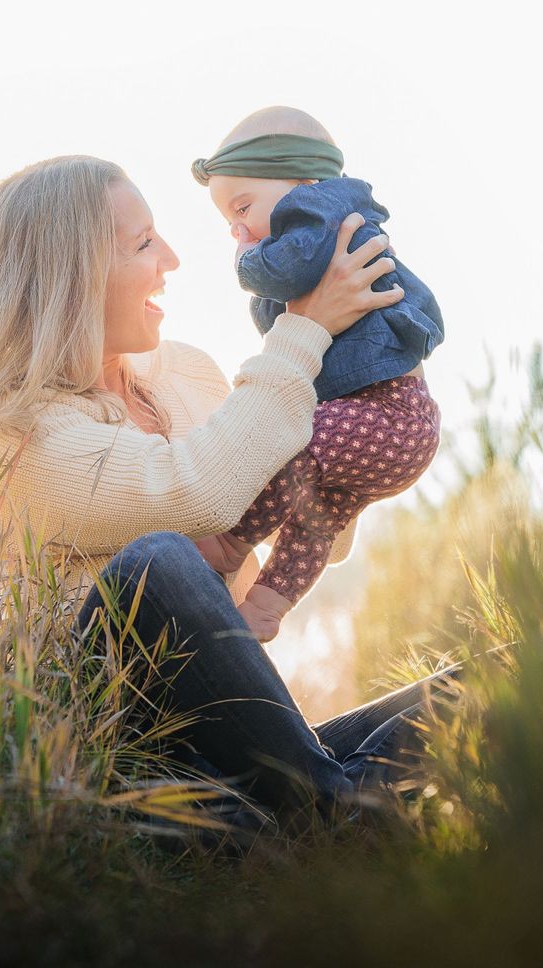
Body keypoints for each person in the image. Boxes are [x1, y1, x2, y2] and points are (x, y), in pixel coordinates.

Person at [0, 154, 449, 825]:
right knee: (156, 566)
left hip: (251, 755)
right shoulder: (10, 434)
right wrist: (307, 329)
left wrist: (365, 396)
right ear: (74, 274)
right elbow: (198, 494)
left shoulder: (188, 373)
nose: (172, 259)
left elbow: (295, 498)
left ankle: (325, 809)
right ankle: (330, 814)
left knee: (505, 681)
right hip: (127, 765)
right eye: (144, 243)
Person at [191, 106, 445, 642]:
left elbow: (286, 271)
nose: (239, 229)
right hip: (376, 422)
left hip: (389, 413)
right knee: (316, 514)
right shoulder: (312, 229)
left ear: (303, 183)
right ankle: (265, 604)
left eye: (244, 207)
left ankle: (233, 542)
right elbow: (280, 319)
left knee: (294, 443)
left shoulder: (324, 213)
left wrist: (245, 261)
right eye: (228, 222)